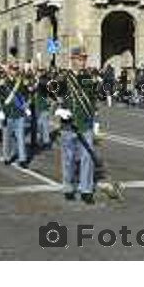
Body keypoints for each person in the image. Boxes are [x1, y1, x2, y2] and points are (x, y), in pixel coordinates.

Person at [54, 52, 100, 204]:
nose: (82, 62)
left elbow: (92, 100)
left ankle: (86, 190)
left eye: (84, 59)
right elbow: (54, 96)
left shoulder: (87, 77)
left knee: (87, 158)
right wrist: (60, 110)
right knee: (69, 158)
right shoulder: (63, 78)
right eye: (79, 59)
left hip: (85, 123)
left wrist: (96, 123)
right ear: (72, 60)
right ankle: (68, 187)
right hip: (69, 125)